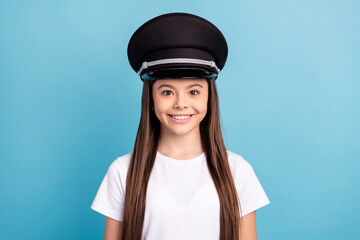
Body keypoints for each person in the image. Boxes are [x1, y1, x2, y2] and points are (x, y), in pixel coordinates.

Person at [91, 12, 270, 240]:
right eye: (167, 92)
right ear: (151, 101)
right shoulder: (122, 172)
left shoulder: (238, 172)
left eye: (194, 91)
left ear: (209, 99)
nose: (181, 103)